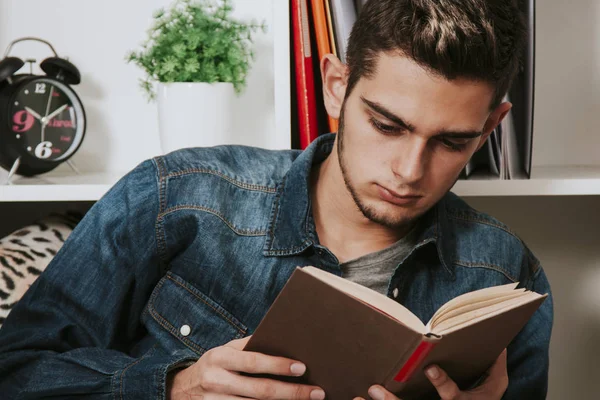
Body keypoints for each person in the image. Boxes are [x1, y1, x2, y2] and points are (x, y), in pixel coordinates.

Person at [0, 0, 553, 399]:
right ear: (337, 85)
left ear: (490, 128)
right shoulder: (175, 197)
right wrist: (172, 388)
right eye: (387, 125)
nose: (409, 172)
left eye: (451, 142)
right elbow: (16, 371)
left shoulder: (505, 280)